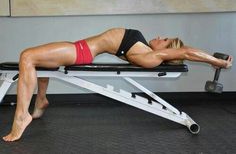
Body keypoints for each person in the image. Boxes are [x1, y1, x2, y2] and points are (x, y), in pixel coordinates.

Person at [3, 28, 233, 142]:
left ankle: (21, 116)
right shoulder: (144, 50)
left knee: (27, 57)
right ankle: (41, 100)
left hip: (81, 52)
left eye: (164, 39)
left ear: (167, 49)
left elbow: (187, 51)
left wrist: (217, 61)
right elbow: (183, 51)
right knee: (40, 62)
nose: (160, 36)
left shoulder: (152, 56)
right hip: (80, 48)